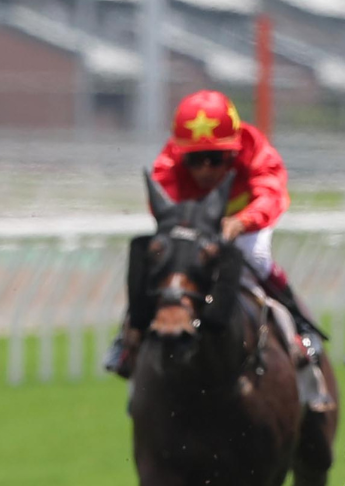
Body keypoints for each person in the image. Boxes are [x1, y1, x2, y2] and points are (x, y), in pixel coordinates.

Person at [107, 89, 329, 408]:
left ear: (234, 152)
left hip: (243, 224)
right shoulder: (167, 162)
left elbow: (271, 194)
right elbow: (165, 208)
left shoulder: (255, 149)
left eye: (216, 159)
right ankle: (128, 338)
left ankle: (301, 328)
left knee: (255, 257)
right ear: (180, 155)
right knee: (161, 263)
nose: (205, 170)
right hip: (193, 230)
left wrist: (242, 221)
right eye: (194, 160)